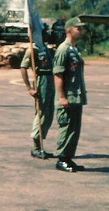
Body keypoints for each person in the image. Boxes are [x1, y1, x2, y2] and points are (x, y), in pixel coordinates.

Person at [53, 17, 88, 173]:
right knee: (66, 128)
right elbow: (58, 75)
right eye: (78, 28)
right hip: (67, 96)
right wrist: (61, 97)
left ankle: (68, 158)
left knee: (74, 129)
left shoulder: (74, 49)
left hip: (76, 96)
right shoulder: (63, 50)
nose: (81, 31)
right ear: (69, 30)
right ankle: (62, 159)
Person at [20, 42, 55, 159]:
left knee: (49, 113)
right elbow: (23, 67)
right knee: (42, 113)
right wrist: (29, 88)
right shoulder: (32, 48)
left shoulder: (44, 46)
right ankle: (35, 147)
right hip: (41, 80)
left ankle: (40, 146)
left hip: (50, 79)